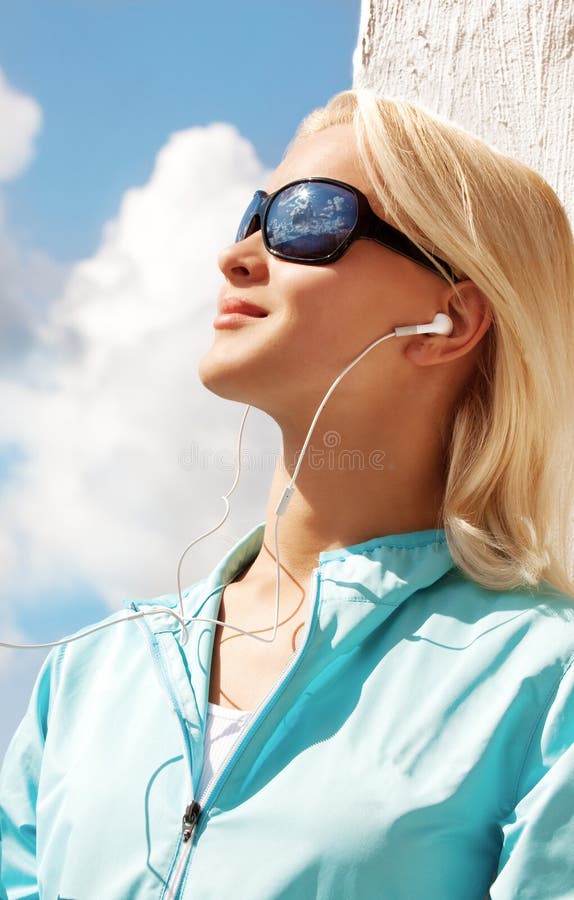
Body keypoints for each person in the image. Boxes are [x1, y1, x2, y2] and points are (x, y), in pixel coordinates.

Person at [1, 88, 573, 899]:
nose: (237, 255)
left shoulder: (546, 682)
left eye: (307, 218)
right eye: (252, 215)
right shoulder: (92, 673)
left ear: (450, 321)